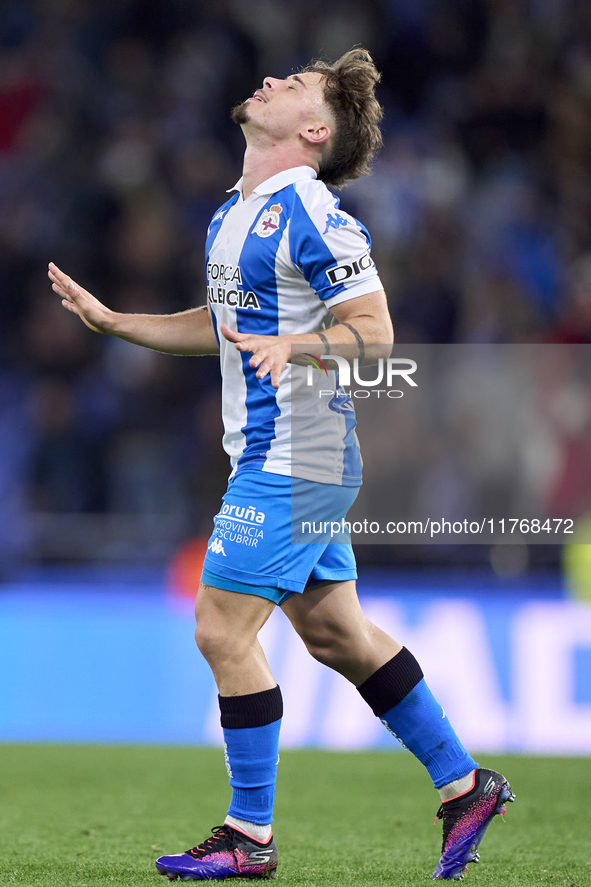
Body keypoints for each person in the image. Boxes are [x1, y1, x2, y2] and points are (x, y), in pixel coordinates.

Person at [48, 48, 513, 882]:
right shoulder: (234, 211)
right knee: (337, 633)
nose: (269, 81)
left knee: (220, 628)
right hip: (278, 455)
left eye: (293, 85)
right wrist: (118, 322)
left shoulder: (315, 215)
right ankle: (465, 785)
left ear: (311, 130)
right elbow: (223, 322)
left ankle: (247, 835)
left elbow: (375, 332)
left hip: (297, 456)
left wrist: (295, 344)